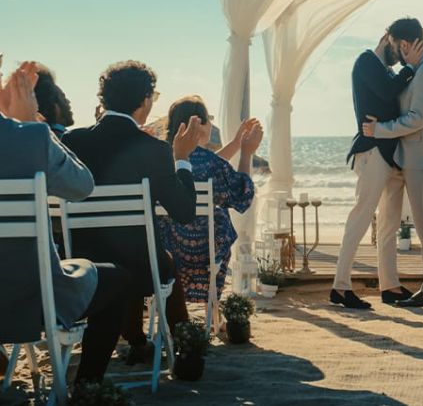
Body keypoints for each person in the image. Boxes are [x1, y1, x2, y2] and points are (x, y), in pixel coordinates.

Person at [0, 60, 130, 385]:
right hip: (28, 300)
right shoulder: (25, 137)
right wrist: (28, 124)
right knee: (119, 281)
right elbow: (82, 186)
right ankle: (87, 387)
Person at [62, 60, 200, 364]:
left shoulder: (71, 141)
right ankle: (184, 344)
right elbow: (184, 212)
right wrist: (182, 159)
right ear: (146, 101)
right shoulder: (153, 150)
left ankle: (137, 341)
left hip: (81, 265)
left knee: (147, 256)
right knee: (161, 260)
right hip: (141, 271)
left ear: (103, 99)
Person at [330, 32, 423, 309]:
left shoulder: (388, 71)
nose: (401, 54)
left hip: (392, 154)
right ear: (387, 38)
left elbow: (391, 94)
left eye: (407, 51)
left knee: (389, 224)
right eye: (400, 47)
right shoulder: (366, 60)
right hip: (372, 151)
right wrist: (410, 68)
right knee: (360, 217)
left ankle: (390, 286)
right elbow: (386, 90)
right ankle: (340, 286)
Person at [363, 17, 423, 307]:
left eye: (399, 47)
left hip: (421, 156)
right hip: (417, 155)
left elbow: (417, 119)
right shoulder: (420, 70)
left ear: (407, 44)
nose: (397, 54)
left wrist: (380, 130)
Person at [158, 96, 261, 305]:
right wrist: (247, 154)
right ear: (201, 126)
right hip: (208, 251)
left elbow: (207, 165)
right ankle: (213, 308)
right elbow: (242, 194)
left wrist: (235, 144)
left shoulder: (161, 159)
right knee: (222, 223)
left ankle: (169, 303)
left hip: (168, 252)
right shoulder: (209, 163)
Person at [33, 64, 74, 138]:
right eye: (63, 98)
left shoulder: (30, 137)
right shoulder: (68, 140)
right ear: (55, 107)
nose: (68, 102)